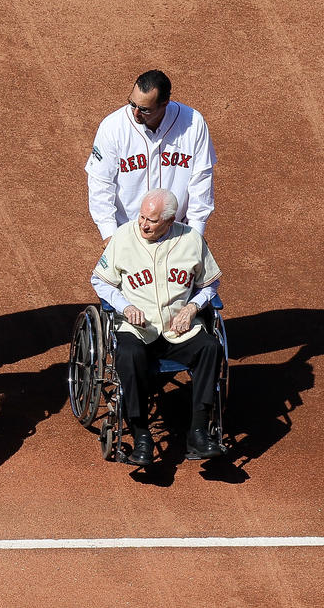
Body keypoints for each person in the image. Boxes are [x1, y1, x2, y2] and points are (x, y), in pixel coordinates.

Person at [91, 188, 223, 466]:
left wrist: (192, 308)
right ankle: (141, 435)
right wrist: (124, 306)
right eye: (141, 217)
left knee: (210, 348)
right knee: (129, 355)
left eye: (151, 220)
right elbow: (100, 281)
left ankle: (198, 432)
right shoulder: (124, 237)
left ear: (170, 219)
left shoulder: (191, 240)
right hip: (137, 330)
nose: (143, 224)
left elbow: (210, 284)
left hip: (179, 329)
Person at [85, 69, 217, 240]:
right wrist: (109, 234)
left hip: (177, 233)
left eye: (144, 110)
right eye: (132, 104)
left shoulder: (193, 124)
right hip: (128, 233)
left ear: (164, 104)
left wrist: (196, 234)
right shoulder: (113, 127)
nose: (135, 114)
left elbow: (201, 181)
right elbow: (100, 184)